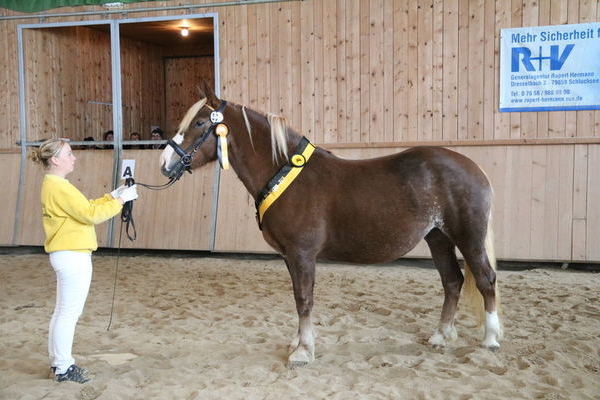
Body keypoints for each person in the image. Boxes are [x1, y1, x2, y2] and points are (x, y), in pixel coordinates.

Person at [29, 138, 139, 383]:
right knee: (68, 314)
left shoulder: (55, 185)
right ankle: (63, 367)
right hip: (72, 254)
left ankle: (59, 362)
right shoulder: (59, 187)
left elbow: (84, 207)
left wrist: (112, 195)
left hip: (67, 253)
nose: (73, 157)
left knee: (63, 313)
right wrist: (121, 201)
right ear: (55, 159)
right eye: (69, 154)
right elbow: (91, 215)